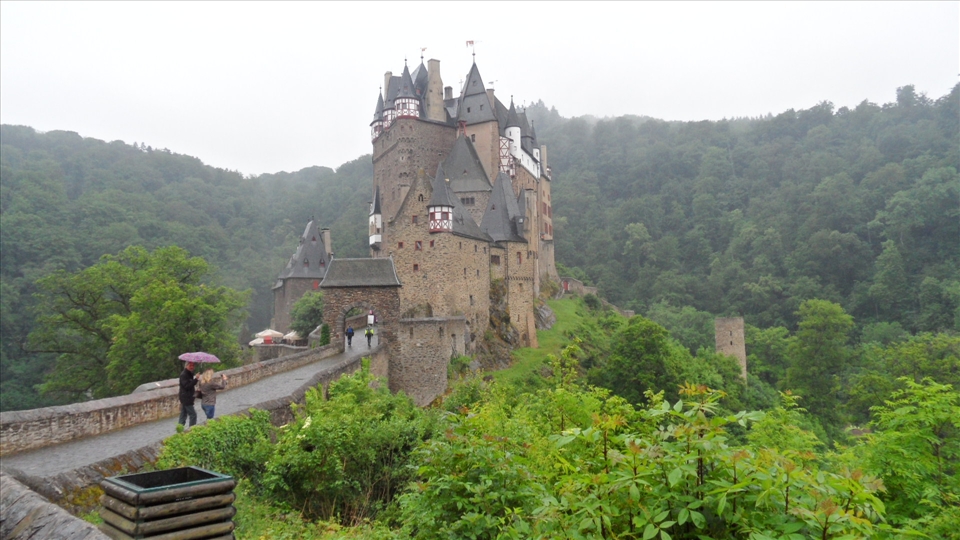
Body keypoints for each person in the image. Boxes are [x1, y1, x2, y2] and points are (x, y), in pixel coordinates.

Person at [178, 362, 199, 429]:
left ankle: (179, 430)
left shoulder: (189, 374)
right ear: (186, 366)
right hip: (186, 397)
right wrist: (196, 379)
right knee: (193, 415)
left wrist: (195, 379)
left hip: (187, 397)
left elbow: (190, 384)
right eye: (190, 365)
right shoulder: (184, 375)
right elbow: (187, 386)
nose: (192, 367)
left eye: (193, 365)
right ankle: (191, 430)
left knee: (183, 415)